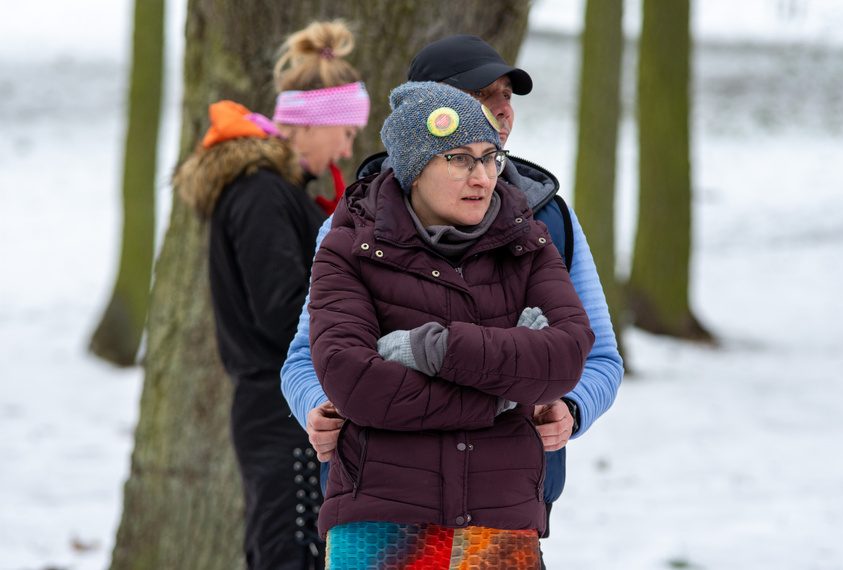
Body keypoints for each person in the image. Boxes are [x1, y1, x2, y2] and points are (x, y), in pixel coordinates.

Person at [281, 33, 623, 548]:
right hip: (383, 506)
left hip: (505, 504)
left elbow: (590, 354)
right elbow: (314, 360)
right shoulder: (352, 227)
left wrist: (571, 410)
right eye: (484, 96)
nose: (503, 111)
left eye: (507, 96)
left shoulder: (545, 217)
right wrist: (317, 404)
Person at [173, 20, 369, 570]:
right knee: (289, 551)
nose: (350, 146)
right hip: (277, 407)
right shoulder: (262, 195)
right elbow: (285, 309)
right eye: (347, 131)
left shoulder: (277, 193)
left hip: (279, 404)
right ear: (311, 125)